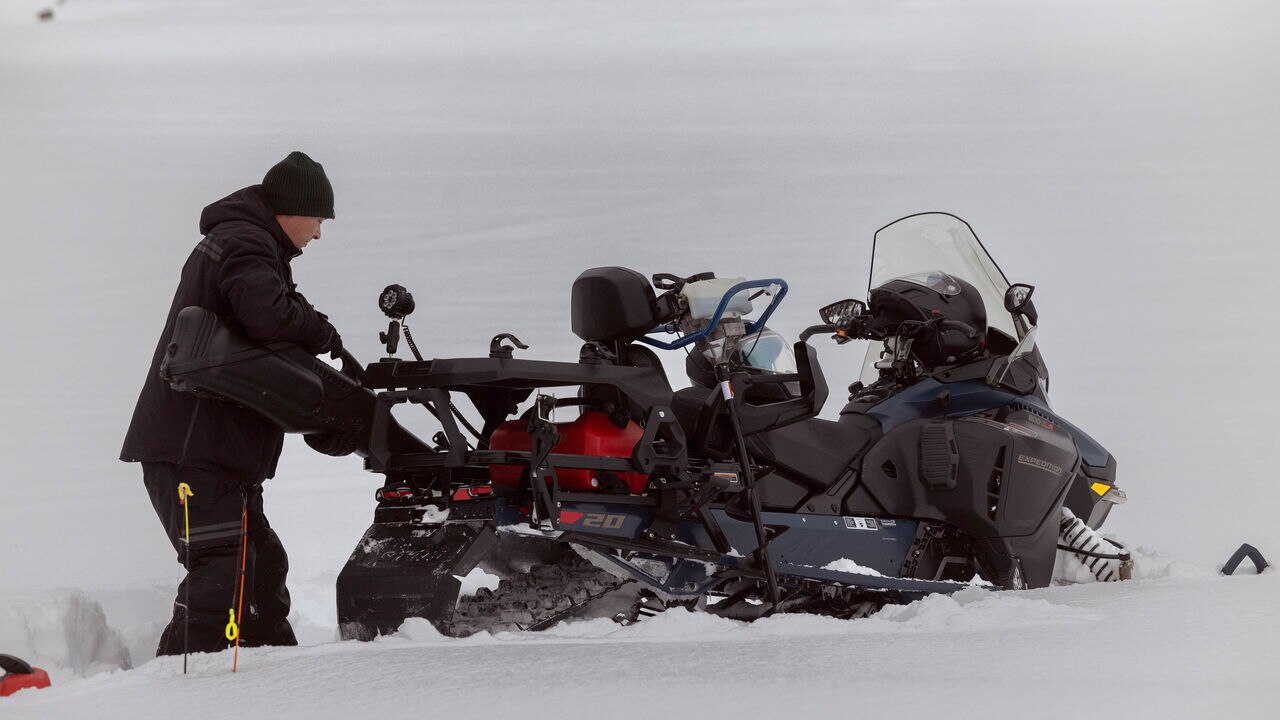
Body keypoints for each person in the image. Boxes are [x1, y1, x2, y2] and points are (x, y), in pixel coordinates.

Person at [120, 151, 342, 656]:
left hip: (216, 452)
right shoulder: (244, 242)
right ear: (294, 208)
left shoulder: (248, 244)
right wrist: (316, 327)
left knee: (260, 565)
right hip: (192, 451)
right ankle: (182, 681)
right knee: (221, 566)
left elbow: (260, 328)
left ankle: (273, 668)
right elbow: (266, 316)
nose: (319, 234)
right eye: (319, 220)